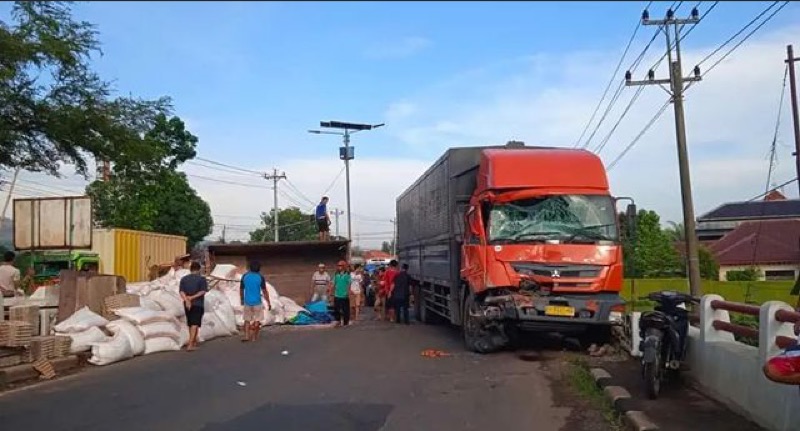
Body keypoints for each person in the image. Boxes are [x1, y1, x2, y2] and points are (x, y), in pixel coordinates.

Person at [179, 261, 208, 351]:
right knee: (195, 324)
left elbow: (181, 291)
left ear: (190, 269)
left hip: (187, 304)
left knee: (190, 323)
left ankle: (194, 342)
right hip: (198, 304)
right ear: (199, 269)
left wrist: (186, 299)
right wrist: (191, 298)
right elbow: (203, 291)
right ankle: (190, 345)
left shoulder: (184, 279)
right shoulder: (202, 279)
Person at [240, 261, 272, 343]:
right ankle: (254, 337)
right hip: (257, 302)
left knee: (247, 320)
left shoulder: (245, 276)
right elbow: (264, 291)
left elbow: (241, 289)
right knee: (257, 320)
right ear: (259, 269)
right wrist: (268, 302)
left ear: (250, 268)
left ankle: (247, 336)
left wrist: (242, 299)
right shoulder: (260, 277)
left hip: (247, 302)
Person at [332, 260, 352, 327]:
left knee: (345, 310)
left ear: (344, 266)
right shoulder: (336, 275)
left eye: (340, 265)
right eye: (338, 265)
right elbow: (334, 283)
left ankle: (346, 322)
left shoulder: (347, 275)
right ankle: (338, 321)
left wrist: (348, 292)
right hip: (337, 294)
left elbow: (349, 284)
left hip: (344, 295)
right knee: (336, 309)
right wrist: (331, 291)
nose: (339, 267)